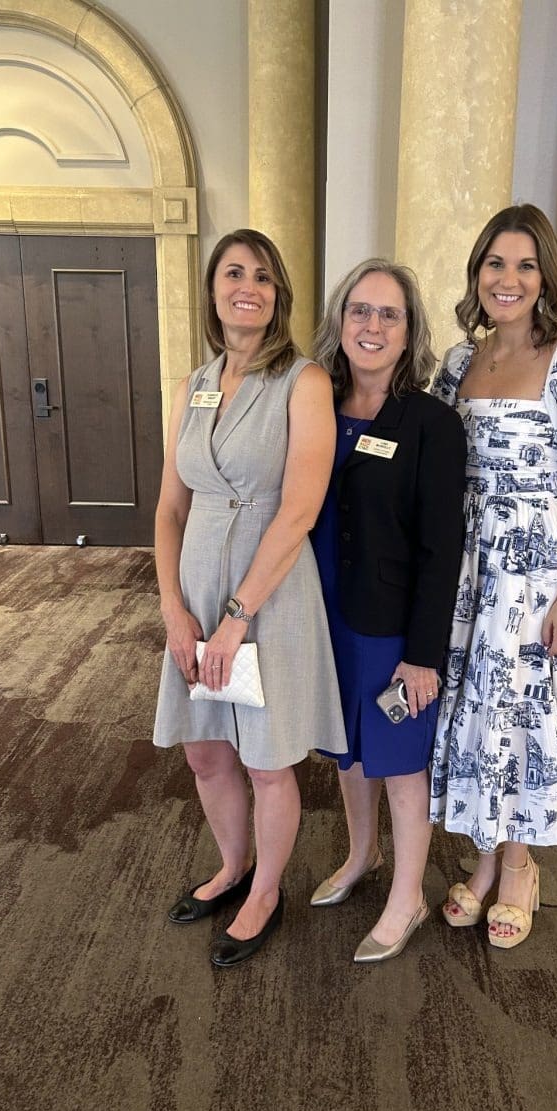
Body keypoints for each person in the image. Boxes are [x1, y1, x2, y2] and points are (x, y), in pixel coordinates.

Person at [430, 204, 557, 948]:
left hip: (536, 570)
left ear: (546, 275)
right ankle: (486, 858)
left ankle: (518, 868)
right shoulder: (459, 362)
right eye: (495, 263)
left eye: (524, 265)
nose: (508, 279)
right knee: (478, 712)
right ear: (477, 273)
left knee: (521, 714)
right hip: (469, 564)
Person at [152, 229, 346, 967]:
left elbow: (299, 510)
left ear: (278, 295)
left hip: (271, 590)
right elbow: (169, 510)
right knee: (205, 751)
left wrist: (238, 617)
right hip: (198, 584)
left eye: (263, 277)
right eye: (234, 273)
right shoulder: (192, 385)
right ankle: (233, 867)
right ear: (212, 290)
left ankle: (266, 891)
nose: (248, 288)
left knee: (266, 760)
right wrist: (174, 608)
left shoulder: (303, 381)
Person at [309, 259, 466, 963]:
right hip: (323, 614)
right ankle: (361, 854)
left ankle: (408, 897)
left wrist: (423, 655)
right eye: (360, 310)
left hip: (392, 629)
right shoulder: (313, 405)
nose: (371, 325)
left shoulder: (432, 423)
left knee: (400, 761)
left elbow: (442, 549)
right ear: (340, 321)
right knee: (346, 748)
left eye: (389, 314)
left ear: (409, 333)